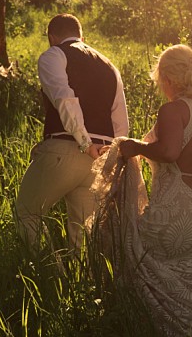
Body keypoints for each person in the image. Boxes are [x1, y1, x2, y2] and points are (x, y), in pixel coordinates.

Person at [90, 44, 192, 337]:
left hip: (178, 209)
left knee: (131, 256)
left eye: (159, 79)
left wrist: (134, 148)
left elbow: (169, 152)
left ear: (167, 77)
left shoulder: (172, 110)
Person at [14, 13, 129, 255]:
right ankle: (80, 286)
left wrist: (85, 142)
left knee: (27, 213)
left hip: (68, 150)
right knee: (82, 234)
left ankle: (52, 278)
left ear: (51, 37)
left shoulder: (53, 55)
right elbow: (120, 121)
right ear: (81, 37)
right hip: (99, 159)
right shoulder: (110, 66)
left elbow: (65, 100)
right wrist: (111, 157)